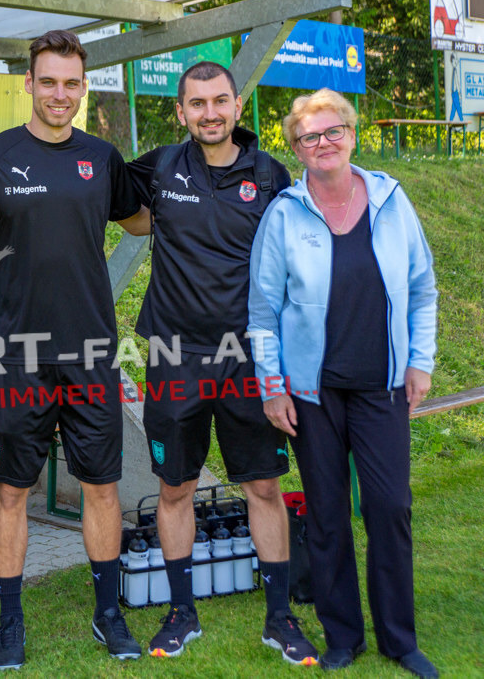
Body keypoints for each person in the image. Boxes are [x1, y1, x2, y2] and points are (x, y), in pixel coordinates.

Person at [0, 29, 150, 668]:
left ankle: (108, 612)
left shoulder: (102, 157)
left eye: (72, 83)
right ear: (30, 83)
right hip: (17, 354)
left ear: (82, 86)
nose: (60, 94)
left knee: (101, 486)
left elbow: (142, 220)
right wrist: (11, 261)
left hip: (92, 350)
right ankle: (10, 621)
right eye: (49, 82)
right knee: (11, 489)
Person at [126, 61, 318, 665]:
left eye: (220, 102)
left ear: (238, 107)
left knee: (263, 485)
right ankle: (182, 612)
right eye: (196, 103)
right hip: (173, 354)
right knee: (175, 488)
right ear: (180, 112)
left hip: (248, 358)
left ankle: (280, 616)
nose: (209, 113)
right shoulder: (158, 167)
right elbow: (102, 204)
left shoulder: (269, 175)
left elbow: (298, 264)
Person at [247, 88, 439, 678]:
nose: (323, 143)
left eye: (333, 132)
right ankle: (342, 636)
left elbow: (423, 288)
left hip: (382, 387)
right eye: (310, 137)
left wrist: (420, 360)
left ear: (352, 134)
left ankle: (399, 640)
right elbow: (261, 313)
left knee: (389, 507)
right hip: (312, 393)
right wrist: (273, 386)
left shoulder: (390, 199)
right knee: (327, 514)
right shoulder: (283, 213)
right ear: (296, 148)